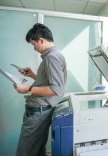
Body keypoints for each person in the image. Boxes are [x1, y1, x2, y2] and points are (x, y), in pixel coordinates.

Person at [13, 23, 67, 156]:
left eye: (33, 44)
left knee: (24, 152)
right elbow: (50, 82)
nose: (34, 48)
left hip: (38, 114)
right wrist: (32, 75)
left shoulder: (51, 57)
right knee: (37, 151)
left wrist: (27, 89)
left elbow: (56, 89)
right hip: (41, 112)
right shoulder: (54, 55)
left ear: (41, 40)